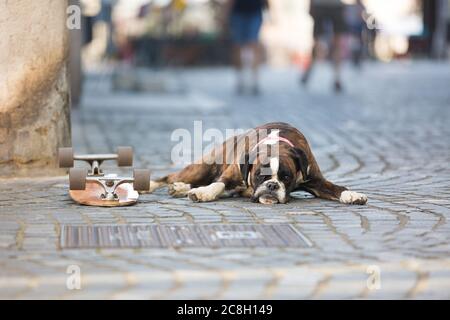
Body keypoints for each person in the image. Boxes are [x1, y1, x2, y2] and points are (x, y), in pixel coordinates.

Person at [301, 0, 346, 92]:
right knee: (320, 43)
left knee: (332, 43)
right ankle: (336, 77)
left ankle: (337, 77)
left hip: (327, 6)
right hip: (325, 6)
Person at [224, 0, 268, 95]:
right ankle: (240, 79)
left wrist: (269, 11)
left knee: (253, 45)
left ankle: (254, 80)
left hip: (255, 12)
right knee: (238, 47)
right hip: (238, 12)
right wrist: (226, 13)